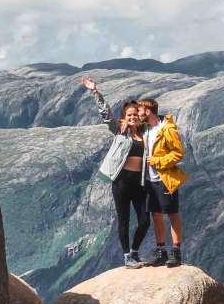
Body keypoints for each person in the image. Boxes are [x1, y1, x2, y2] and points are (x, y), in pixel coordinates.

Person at [78, 77, 150, 268]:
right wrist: (95, 92)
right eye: (129, 115)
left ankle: (134, 251)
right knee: (124, 220)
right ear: (124, 117)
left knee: (144, 221)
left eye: (135, 114)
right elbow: (106, 115)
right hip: (122, 182)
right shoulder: (120, 130)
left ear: (138, 116)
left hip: (140, 182)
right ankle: (127, 257)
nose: (132, 117)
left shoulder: (145, 134)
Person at [137, 97, 186, 267]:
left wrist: (158, 161)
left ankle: (176, 252)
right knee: (156, 215)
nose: (138, 114)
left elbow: (178, 153)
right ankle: (161, 252)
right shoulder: (144, 128)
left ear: (148, 111)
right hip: (149, 181)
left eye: (140, 111)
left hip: (165, 179)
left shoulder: (167, 129)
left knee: (172, 214)